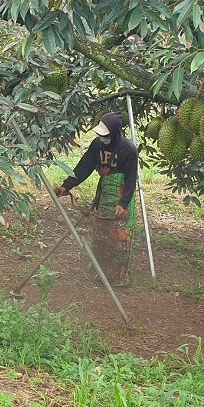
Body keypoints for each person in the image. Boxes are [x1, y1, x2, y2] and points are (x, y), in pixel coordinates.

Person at [55, 112, 139, 286]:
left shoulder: (128, 150)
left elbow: (131, 179)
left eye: (105, 135)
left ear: (115, 133)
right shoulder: (97, 145)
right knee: (102, 235)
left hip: (121, 195)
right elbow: (84, 167)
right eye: (100, 135)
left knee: (120, 237)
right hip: (105, 195)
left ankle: (118, 276)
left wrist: (123, 203)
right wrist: (67, 185)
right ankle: (100, 271)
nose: (102, 138)